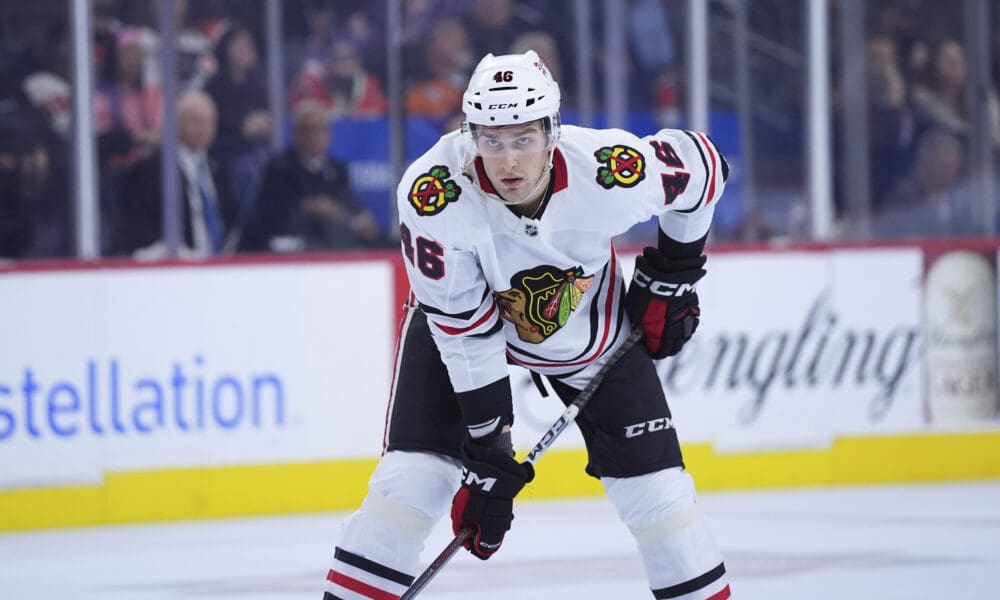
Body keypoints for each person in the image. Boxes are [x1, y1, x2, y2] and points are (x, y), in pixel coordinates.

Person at [323, 51, 731, 600]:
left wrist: (672, 276)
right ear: (470, 135)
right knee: (410, 484)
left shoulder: (608, 169)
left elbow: (704, 168)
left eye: (523, 139)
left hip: (593, 338)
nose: (507, 160)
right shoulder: (433, 195)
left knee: (663, 503)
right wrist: (489, 448)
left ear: (552, 132)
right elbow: (466, 334)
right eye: (490, 140)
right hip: (461, 334)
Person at [241, 101, 382, 252]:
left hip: (336, 238)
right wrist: (309, 207)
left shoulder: (337, 169)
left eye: (321, 129)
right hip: (294, 242)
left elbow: (347, 202)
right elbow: (273, 213)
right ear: (295, 134)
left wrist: (359, 218)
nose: (315, 136)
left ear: (330, 134)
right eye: (308, 130)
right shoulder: (279, 167)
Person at [115, 90, 235, 259]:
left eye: (209, 122)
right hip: (177, 268)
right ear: (176, 122)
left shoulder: (219, 167)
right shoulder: (153, 169)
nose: (203, 128)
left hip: (220, 267)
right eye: (195, 120)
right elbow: (137, 229)